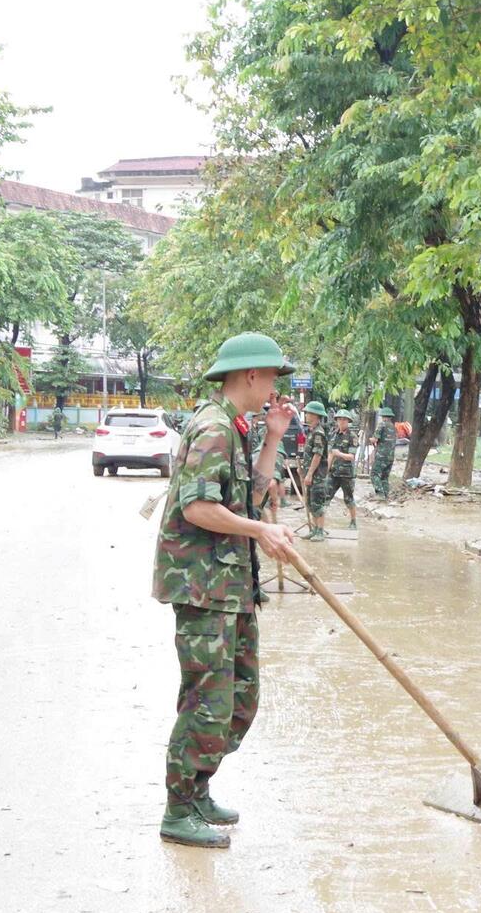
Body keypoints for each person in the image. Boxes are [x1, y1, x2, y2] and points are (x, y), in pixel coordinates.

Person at [151, 332, 298, 848]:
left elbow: (251, 497)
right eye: (274, 376)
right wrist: (262, 532)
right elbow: (197, 510)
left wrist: (274, 436)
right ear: (252, 374)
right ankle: (178, 809)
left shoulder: (234, 428)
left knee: (239, 700)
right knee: (206, 702)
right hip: (203, 587)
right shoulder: (212, 428)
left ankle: (198, 788)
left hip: (230, 587)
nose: (277, 386)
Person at [301, 401, 331, 540]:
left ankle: (320, 530)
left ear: (315, 415)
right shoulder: (312, 432)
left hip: (317, 476)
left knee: (317, 503)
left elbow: (317, 455)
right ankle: (314, 529)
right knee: (310, 503)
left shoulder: (318, 433)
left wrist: (309, 474)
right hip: (311, 474)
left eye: (308, 413)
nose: (306, 415)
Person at [326, 409, 360, 529]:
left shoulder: (352, 436)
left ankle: (353, 522)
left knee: (348, 499)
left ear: (348, 421)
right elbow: (330, 454)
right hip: (334, 473)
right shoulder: (333, 434)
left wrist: (339, 454)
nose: (341, 422)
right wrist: (326, 470)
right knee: (325, 496)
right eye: (339, 419)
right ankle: (320, 524)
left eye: (344, 419)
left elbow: (351, 457)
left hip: (347, 474)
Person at [372, 405, 398, 500]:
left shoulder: (382, 425)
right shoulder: (394, 428)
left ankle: (379, 494)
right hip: (391, 456)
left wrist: (370, 439)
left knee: (375, 473)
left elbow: (375, 439)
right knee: (385, 476)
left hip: (381, 455)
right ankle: (386, 495)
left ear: (383, 416)